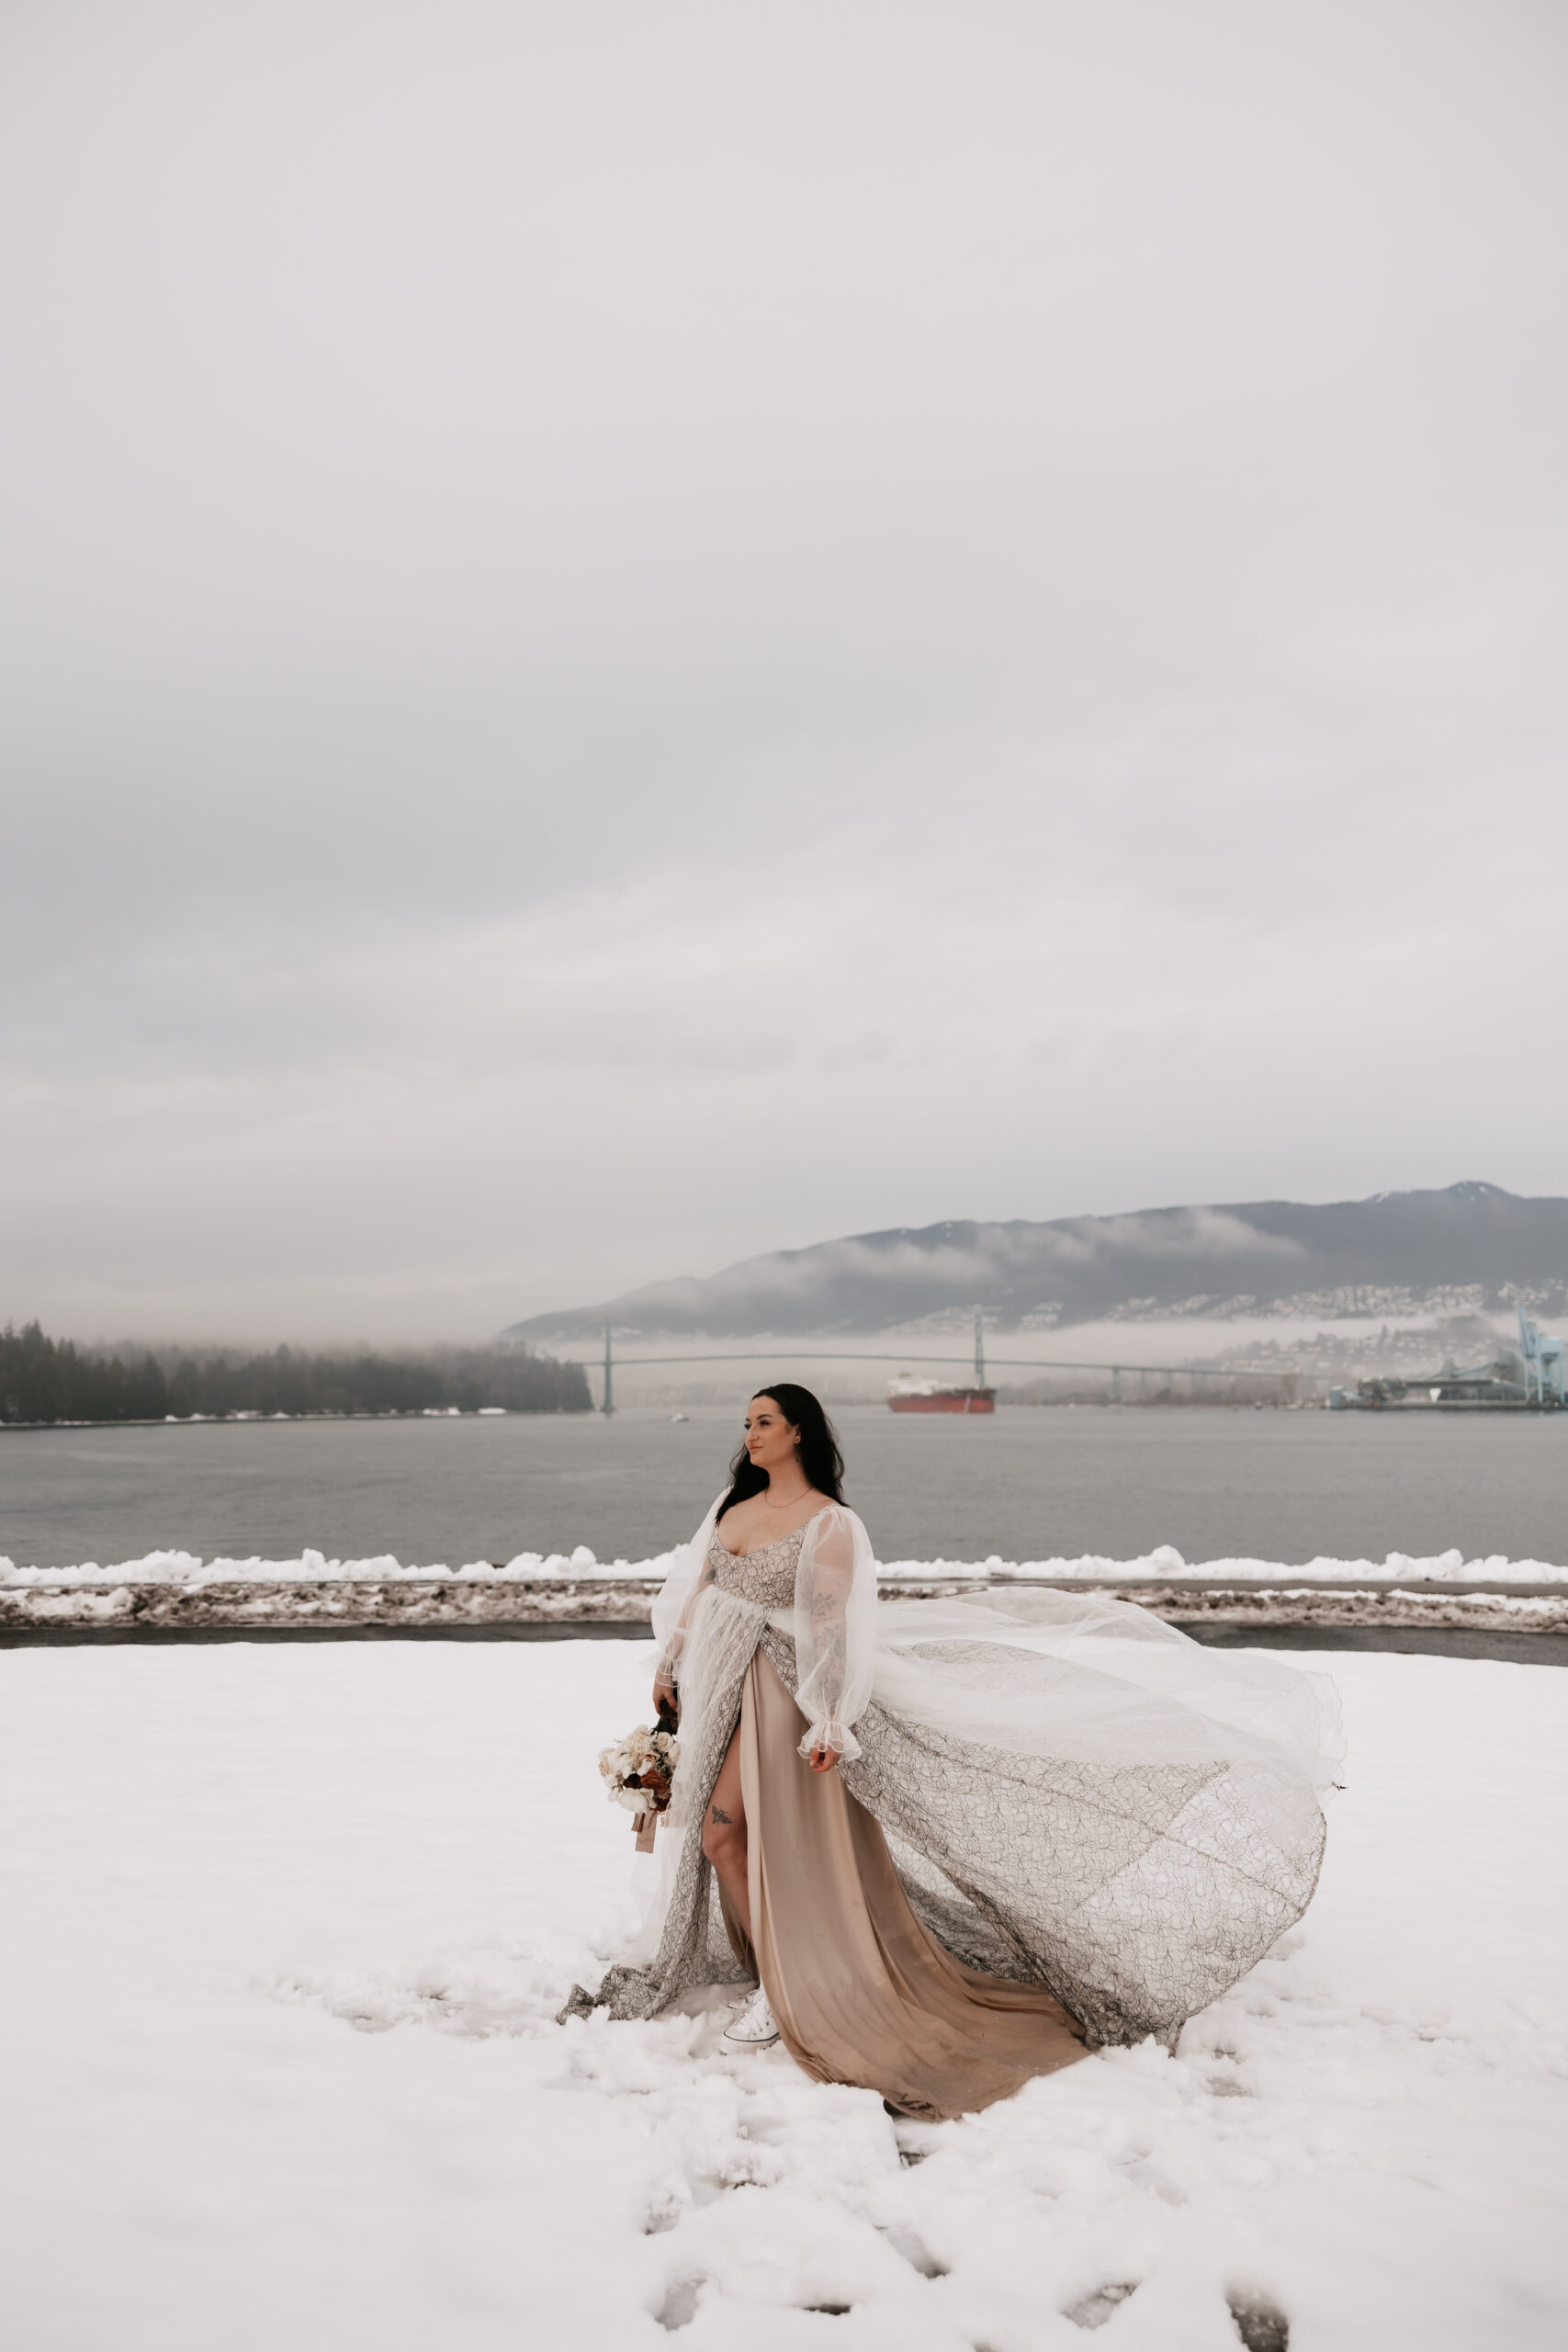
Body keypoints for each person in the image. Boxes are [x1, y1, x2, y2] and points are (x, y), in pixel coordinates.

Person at [562, 1385, 1341, 2121]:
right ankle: (774, 1970)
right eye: (746, 1423)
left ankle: (790, 1986)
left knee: (746, 1836)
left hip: (778, 1691)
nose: (749, 1434)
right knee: (716, 1836)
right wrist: (672, 1662)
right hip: (717, 1687)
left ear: (799, 1432)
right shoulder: (734, 1506)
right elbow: (700, 1589)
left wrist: (829, 1717)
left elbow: (834, 1629)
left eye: (763, 1421)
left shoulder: (829, 1523)